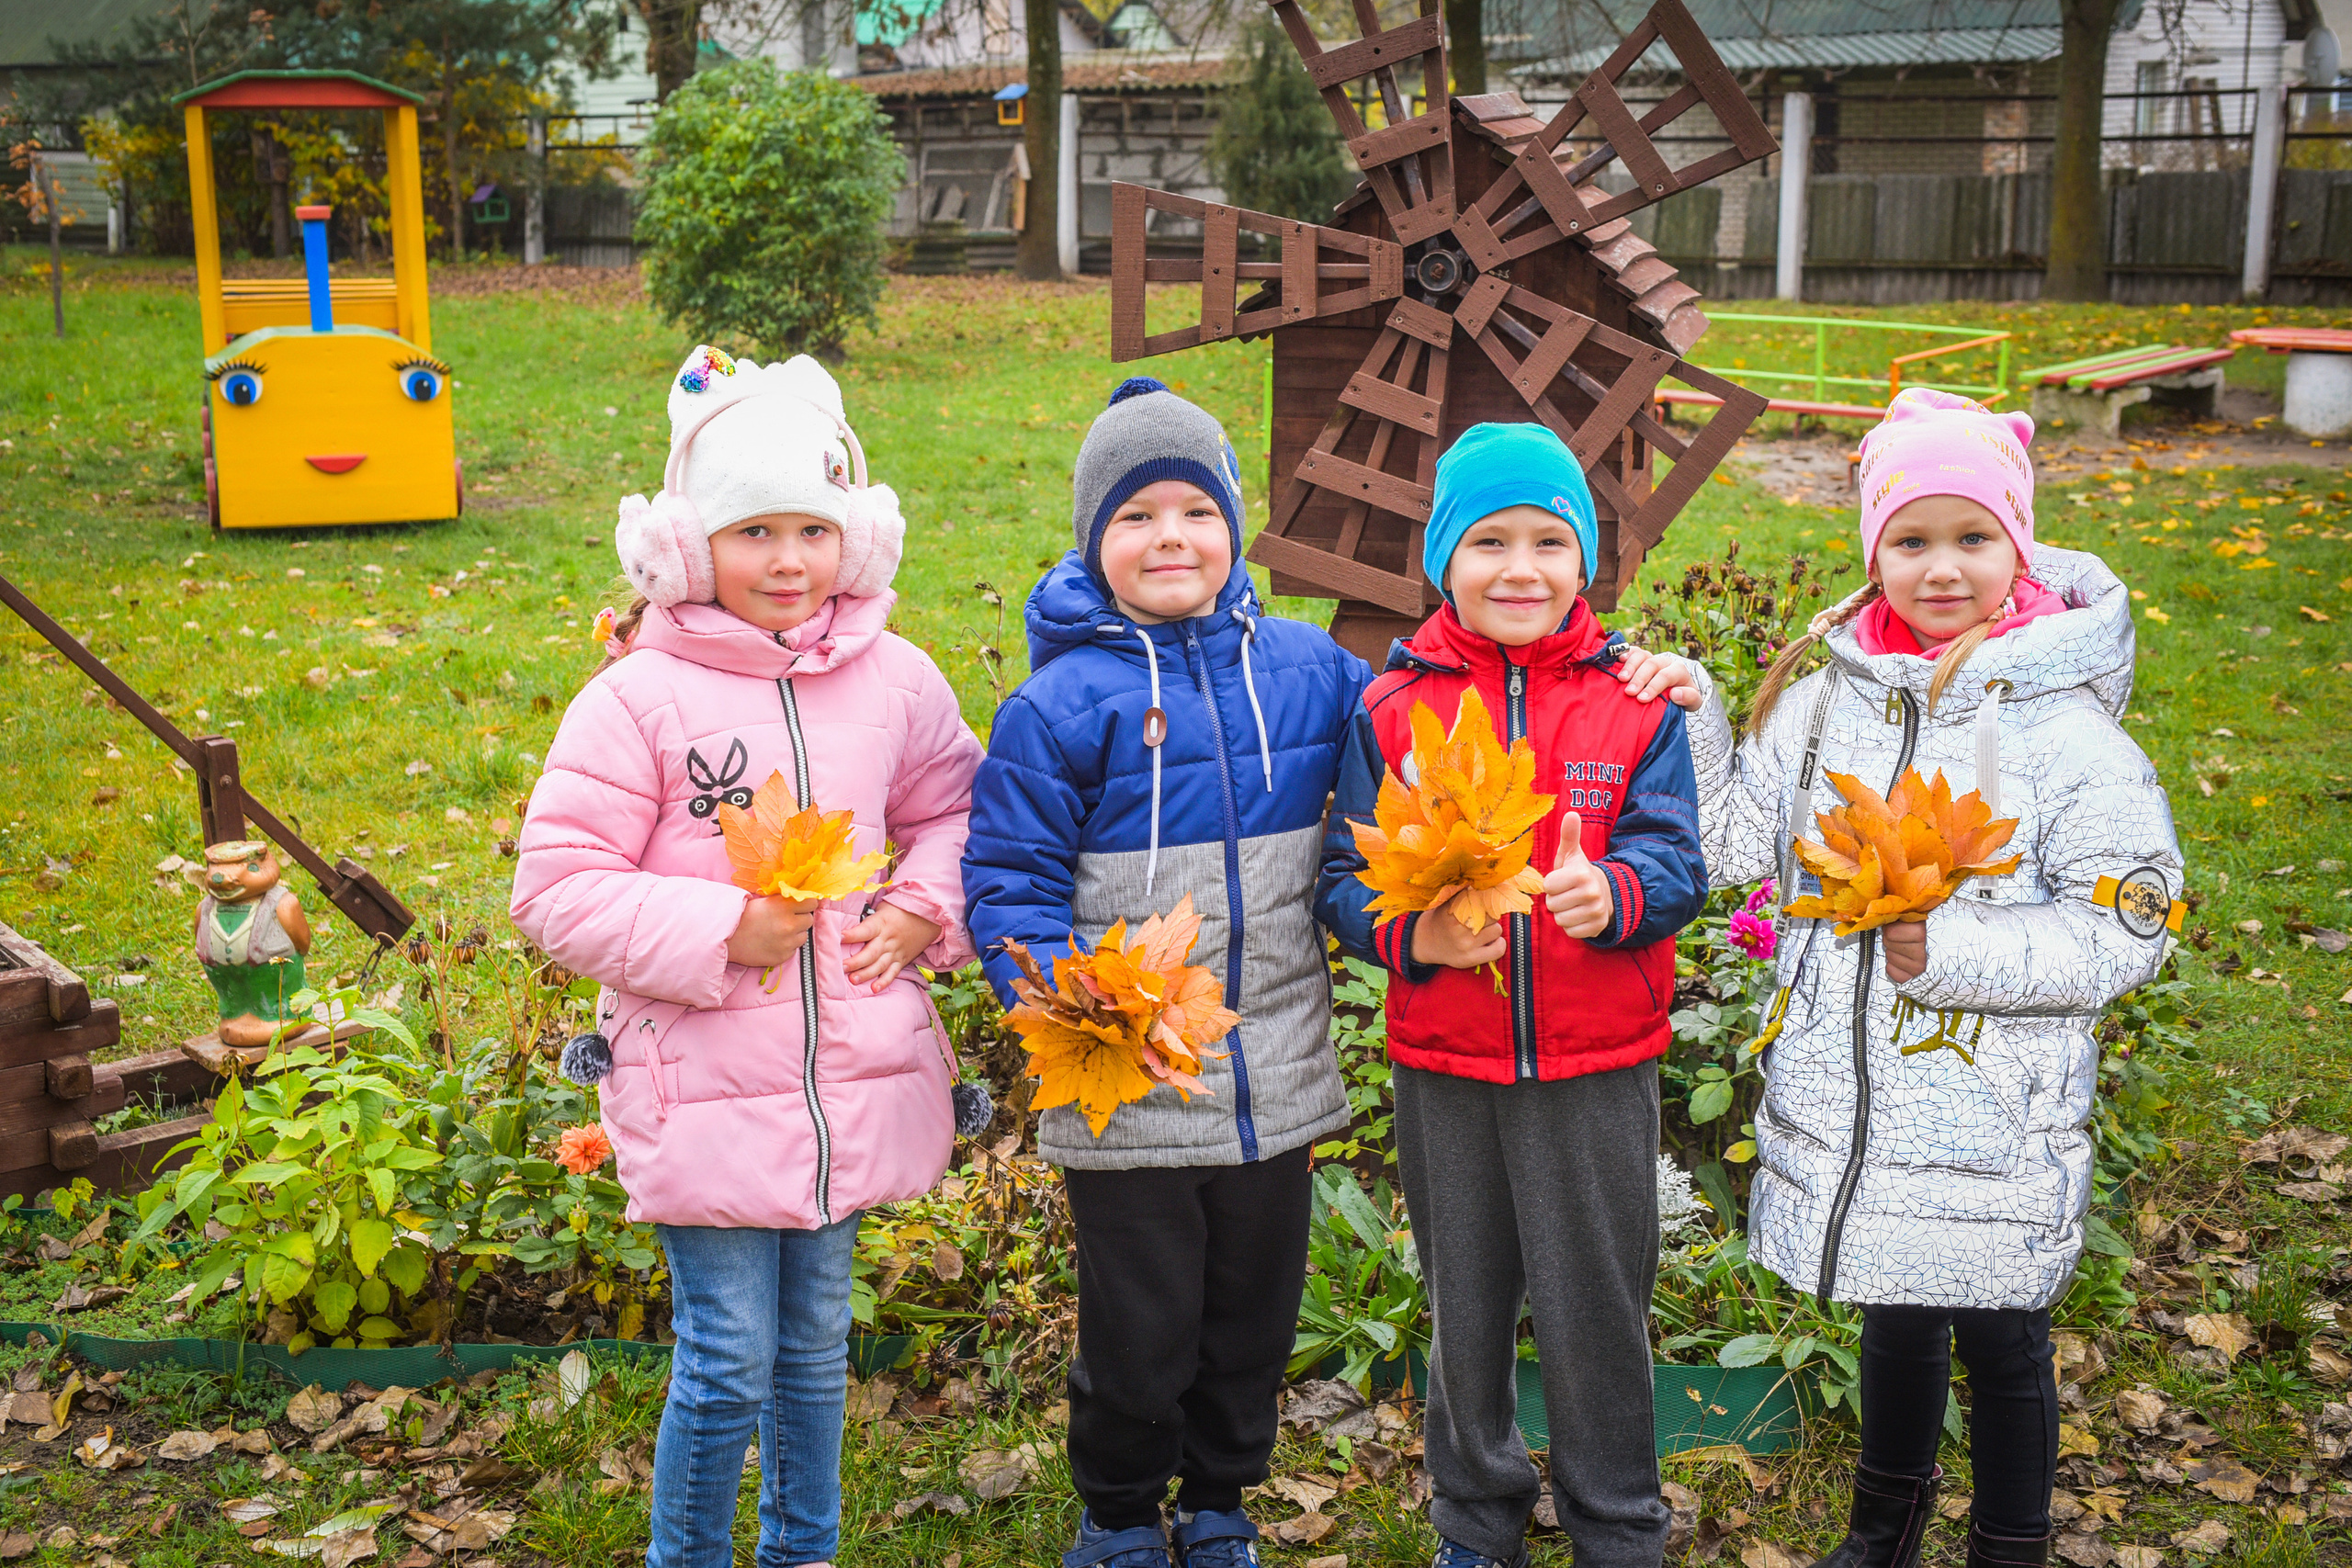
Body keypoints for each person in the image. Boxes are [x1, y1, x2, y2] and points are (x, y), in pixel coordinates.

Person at [1612, 388, 2185, 1568]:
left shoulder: (2064, 730)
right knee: (1896, 1312)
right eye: (1910, 540)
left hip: (1992, 1112)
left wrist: (1956, 955)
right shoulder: (1828, 703)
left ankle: (2010, 1544)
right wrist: (1707, 719)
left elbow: (2130, 921)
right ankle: (1882, 1533)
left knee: (2001, 1338)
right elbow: (1733, 851)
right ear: (1871, 549)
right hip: (1862, 1106)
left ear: (2018, 544)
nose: (1940, 569)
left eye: (1973, 538)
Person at [512, 344, 983, 1568]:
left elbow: (955, 810)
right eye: (754, 529)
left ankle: (802, 1550)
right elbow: (556, 887)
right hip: (701, 1078)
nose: (788, 558)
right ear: (685, 547)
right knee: (727, 1358)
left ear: (856, 539)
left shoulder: (899, 679)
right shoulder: (637, 699)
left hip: (839, 1082)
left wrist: (927, 907)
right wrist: (725, 931)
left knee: (816, 1345)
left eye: (813, 528)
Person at [962, 377, 1373, 1568]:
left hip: (1273, 1077)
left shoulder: (1310, 673)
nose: (1170, 538)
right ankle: (1118, 1506)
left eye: (1195, 509)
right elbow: (1011, 887)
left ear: (1234, 527)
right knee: (1142, 1326)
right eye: (1137, 516)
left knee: (1250, 1318)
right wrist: (1072, 998)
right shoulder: (1058, 707)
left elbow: (1410, 751)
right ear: (1095, 537)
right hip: (1127, 1080)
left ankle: (1221, 1500)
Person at [1317, 421, 1708, 1568]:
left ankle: (1616, 1520)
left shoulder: (1634, 704)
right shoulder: (1393, 710)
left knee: (1597, 1307)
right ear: (1442, 559)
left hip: (1597, 1061)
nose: (1521, 569)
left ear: (1584, 558)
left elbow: (1677, 858)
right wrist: (1415, 935)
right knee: (1467, 1306)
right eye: (1488, 542)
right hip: (1448, 1064)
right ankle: (1477, 1519)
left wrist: (1619, 895)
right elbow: (1342, 882)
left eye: (1549, 540)